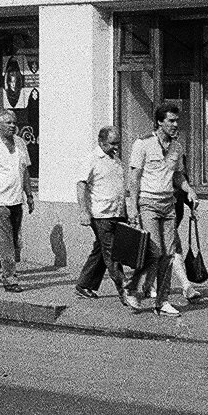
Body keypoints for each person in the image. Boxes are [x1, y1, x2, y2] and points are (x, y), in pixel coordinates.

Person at [126, 102, 198, 317]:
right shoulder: (143, 144)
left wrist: (189, 189)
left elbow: (177, 175)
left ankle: (162, 301)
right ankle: (132, 288)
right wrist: (133, 207)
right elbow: (134, 177)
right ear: (159, 122)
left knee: (168, 254)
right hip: (148, 203)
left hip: (168, 204)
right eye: (171, 121)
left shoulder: (177, 146)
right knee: (154, 252)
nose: (176, 125)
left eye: (177, 121)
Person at [75, 125, 136, 307]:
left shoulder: (116, 160)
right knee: (112, 253)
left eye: (118, 143)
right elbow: (81, 185)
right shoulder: (92, 159)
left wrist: (128, 211)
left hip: (117, 212)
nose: (116, 147)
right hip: (100, 214)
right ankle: (125, 291)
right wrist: (84, 211)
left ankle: (84, 284)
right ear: (101, 142)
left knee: (101, 250)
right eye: (112, 143)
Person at [0, 108, 34, 293]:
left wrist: (29, 195)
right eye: (8, 123)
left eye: (14, 123)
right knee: (6, 241)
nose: (13, 126)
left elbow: (25, 171)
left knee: (12, 241)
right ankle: (10, 280)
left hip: (16, 199)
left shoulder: (20, 143)